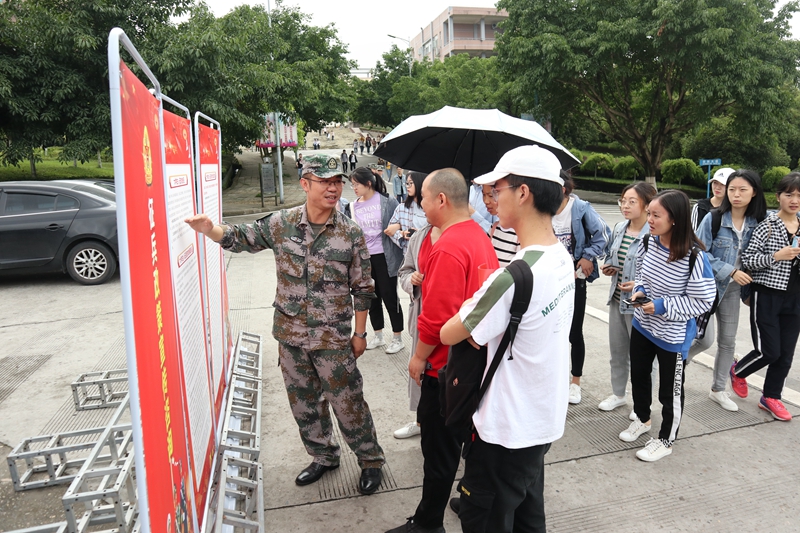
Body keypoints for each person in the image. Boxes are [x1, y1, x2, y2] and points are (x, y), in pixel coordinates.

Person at [184, 154, 384, 494]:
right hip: (291, 336)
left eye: (337, 182)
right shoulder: (282, 223)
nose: (333, 188)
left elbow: (363, 288)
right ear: (305, 184)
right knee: (304, 403)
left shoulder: (349, 232)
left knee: (348, 403)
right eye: (325, 182)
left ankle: (370, 461)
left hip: (332, 338)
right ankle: (323, 455)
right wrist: (209, 230)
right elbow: (242, 237)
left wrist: (360, 333)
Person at [439, 145, 574, 533]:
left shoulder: (512, 277)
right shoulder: (559, 257)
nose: (493, 199)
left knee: (485, 519)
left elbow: (450, 331)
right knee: (528, 516)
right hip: (540, 419)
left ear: (523, 193)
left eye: (498, 189)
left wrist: (478, 298)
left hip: (505, 429)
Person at [386, 169, 499, 533]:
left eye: (423, 197)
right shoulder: (478, 236)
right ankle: (458, 501)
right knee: (459, 445)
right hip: (469, 362)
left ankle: (428, 523)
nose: (419, 203)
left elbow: (436, 318)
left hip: (443, 368)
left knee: (438, 453)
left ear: (441, 199)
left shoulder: (449, 246)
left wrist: (419, 357)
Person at [619, 190, 716, 461]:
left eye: (656, 215)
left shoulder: (695, 257)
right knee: (639, 376)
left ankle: (666, 439)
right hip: (643, 325)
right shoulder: (648, 242)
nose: (649, 219)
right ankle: (642, 419)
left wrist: (662, 306)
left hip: (672, 336)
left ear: (675, 219)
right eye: (649, 213)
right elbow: (642, 275)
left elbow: (703, 301)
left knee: (669, 391)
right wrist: (639, 291)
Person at [731, 173, 800, 421]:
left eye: (799, 195)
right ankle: (738, 371)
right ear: (778, 197)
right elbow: (748, 260)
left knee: (786, 353)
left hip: (795, 298)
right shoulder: (767, 226)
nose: (794, 200)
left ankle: (771, 396)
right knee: (769, 351)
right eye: (789, 194)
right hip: (767, 295)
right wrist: (775, 257)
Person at [696, 169, 767, 412]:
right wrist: (730, 270)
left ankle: (718, 389)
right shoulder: (714, 218)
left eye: (742, 190)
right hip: (707, 287)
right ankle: (675, 365)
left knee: (728, 341)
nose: (736, 194)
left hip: (734, 290)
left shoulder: (759, 222)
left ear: (754, 192)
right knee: (701, 339)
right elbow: (699, 252)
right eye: (732, 189)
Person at [599, 182, 658, 415]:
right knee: (618, 352)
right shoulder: (620, 228)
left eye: (632, 202)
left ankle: (643, 404)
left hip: (640, 305)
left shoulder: (654, 234)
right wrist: (610, 266)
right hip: (617, 299)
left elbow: (660, 271)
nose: (625, 206)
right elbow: (613, 255)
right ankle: (618, 394)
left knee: (642, 358)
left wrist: (639, 283)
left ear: (646, 205)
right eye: (623, 201)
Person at [552, 175, 610, 404]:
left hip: (575, 279)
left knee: (574, 332)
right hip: (551, 278)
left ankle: (575, 383)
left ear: (563, 189)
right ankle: (553, 380)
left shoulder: (581, 208)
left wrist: (587, 256)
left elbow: (604, 235)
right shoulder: (543, 207)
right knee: (551, 331)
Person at [347, 167, 405, 355]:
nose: (354, 188)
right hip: (364, 259)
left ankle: (397, 337)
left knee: (389, 296)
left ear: (368, 183)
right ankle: (378, 335)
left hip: (385, 257)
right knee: (371, 297)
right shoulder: (353, 207)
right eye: (352, 184)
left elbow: (401, 221)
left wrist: (397, 227)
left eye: (356, 184)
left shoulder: (387, 202)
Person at [393, 221, 441, 440]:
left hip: (451, 321)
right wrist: (411, 280)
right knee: (422, 376)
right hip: (423, 317)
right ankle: (421, 421)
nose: (423, 208)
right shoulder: (419, 236)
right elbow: (404, 271)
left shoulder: (461, 234)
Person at [385, 171, 428, 256]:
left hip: (428, 253)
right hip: (409, 254)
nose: (408, 186)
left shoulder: (431, 207)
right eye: (407, 183)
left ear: (420, 183)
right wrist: (402, 234)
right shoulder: (402, 208)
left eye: (411, 183)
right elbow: (389, 230)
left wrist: (420, 234)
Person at [480, 182, 519, 266]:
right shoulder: (494, 228)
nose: (486, 201)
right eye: (483, 195)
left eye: (491, 195)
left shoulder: (520, 234)